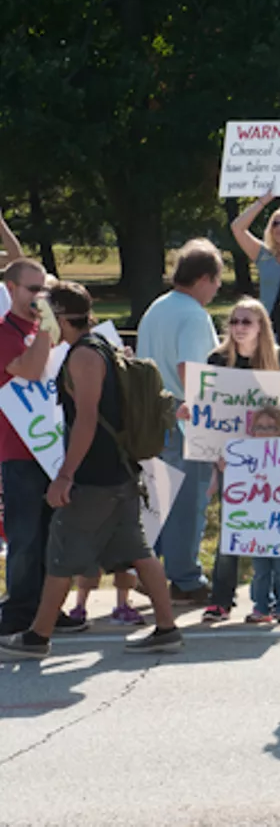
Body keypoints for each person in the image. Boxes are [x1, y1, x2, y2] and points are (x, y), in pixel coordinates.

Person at [0, 281, 183, 660]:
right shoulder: (100, 347)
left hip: (95, 477)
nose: (39, 320)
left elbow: (85, 420)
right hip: (119, 472)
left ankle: (36, 638)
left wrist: (65, 475)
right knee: (138, 550)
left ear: (62, 317)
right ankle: (167, 630)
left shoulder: (83, 356)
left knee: (59, 555)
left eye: (44, 312)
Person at [195, 297, 280, 622]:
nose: (238, 328)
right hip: (232, 458)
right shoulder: (217, 359)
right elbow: (208, 414)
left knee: (273, 527)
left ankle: (277, 603)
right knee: (232, 527)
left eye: (246, 322)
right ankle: (220, 599)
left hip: (274, 459)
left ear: (261, 327)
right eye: (234, 321)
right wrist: (214, 458)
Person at [136, 239, 223, 604]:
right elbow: (192, 369)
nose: (218, 288)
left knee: (156, 499)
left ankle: (146, 570)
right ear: (204, 278)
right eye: (217, 280)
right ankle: (186, 578)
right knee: (188, 501)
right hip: (185, 413)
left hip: (151, 412)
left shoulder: (157, 307)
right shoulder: (193, 314)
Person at [0, 259, 82, 636]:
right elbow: (30, 370)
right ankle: (19, 610)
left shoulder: (40, 329)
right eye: (33, 290)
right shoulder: (5, 332)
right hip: (18, 451)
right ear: (12, 289)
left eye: (44, 291)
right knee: (25, 535)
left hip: (51, 450)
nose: (39, 298)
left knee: (52, 534)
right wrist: (48, 332)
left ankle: (48, 609)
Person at [210, 405, 280, 623]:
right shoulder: (244, 455)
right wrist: (227, 469)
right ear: (252, 430)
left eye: (271, 427)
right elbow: (236, 486)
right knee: (260, 570)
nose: (265, 432)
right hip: (257, 526)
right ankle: (261, 607)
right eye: (260, 427)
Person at [229, 189, 280, 321]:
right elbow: (237, 227)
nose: (279, 228)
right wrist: (262, 201)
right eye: (275, 223)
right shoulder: (263, 254)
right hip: (269, 329)